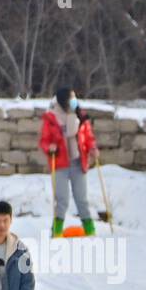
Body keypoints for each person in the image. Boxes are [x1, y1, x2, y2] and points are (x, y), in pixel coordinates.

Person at [39, 86, 98, 237]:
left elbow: (88, 136)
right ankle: (57, 230)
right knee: (62, 198)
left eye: (74, 98)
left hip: (79, 161)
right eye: (70, 99)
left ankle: (89, 228)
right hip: (60, 163)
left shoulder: (80, 115)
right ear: (62, 101)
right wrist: (50, 147)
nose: (73, 101)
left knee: (81, 198)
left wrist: (92, 148)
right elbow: (44, 140)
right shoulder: (51, 118)